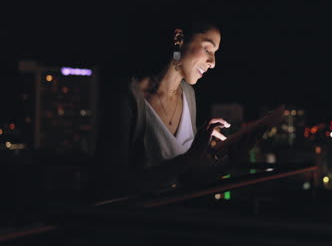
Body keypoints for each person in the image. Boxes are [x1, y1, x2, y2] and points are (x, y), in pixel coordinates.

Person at [88, 20, 255, 200]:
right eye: (208, 49)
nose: (213, 63)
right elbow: (112, 183)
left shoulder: (188, 95)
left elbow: (186, 178)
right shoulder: (128, 96)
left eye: (215, 54)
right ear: (179, 38)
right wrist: (190, 158)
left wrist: (231, 160)